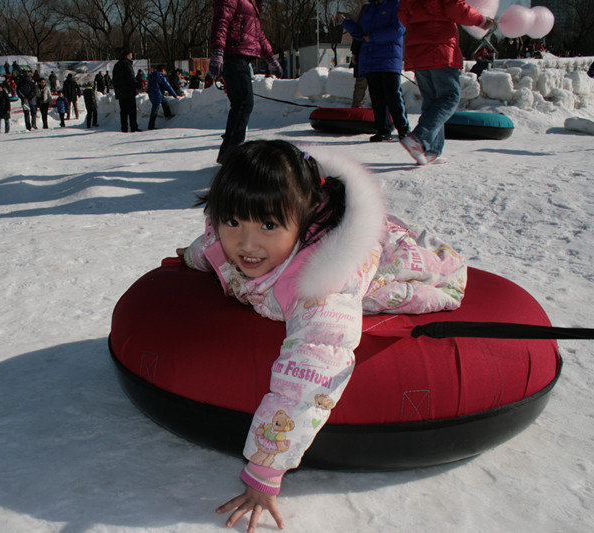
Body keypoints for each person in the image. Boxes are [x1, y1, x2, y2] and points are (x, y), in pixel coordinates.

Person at [176, 140, 466, 532]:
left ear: (303, 216)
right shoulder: (230, 237)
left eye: (268, 225)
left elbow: (309, 377)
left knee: (388, 287)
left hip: (393, 260)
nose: (246, 244)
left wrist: (264, 472)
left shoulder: (321, 287)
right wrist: (190, 259)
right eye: (233, 222)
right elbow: (210, 245)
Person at [398, 0, 494, 165]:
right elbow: (457, 8)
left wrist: (421, 26)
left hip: (418, 51)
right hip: (440, 49)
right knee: (450, 97)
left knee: (432, 102)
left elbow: (402, 15)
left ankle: (431, 151)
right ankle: (419, 137)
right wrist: (482, 21)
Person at [210, 0, 283, 163]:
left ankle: (228, 154)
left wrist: (271, 57)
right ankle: (233, 156)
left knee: (241, 104)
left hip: (241, 56)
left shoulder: (251, 3)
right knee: (243, 103)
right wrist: (218, 51)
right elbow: (221, 21)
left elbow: (258, 34)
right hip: (233, 54)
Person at [337, 1, 409, 143]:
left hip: (388, 59)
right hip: (370, 60)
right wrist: (346, 22)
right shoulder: (368, 9)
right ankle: (383, 130)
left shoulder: (396, 5)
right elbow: (360, 33)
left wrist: (372, 37)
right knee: (376, 97)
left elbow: (398, 29)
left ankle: (404, 130)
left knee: (393, 95)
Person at [112, 49, 141, 132]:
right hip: (129, 91)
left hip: (120, 92)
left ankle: (124, 128)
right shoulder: (127, 64)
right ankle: (133, 127)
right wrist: (138, 85)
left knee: (123, 111)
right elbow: (131, 78)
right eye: (131, 55)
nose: (132, 56)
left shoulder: (117, 65)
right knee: (132, 111)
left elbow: (114, 79)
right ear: (128, 55)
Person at [147, 64, 180, 130]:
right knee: (154, 111)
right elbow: (167, 86)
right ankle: (151, 127)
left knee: (164, 101)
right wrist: (175, 95)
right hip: (157, 94)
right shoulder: (161, 76)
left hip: (152, 94)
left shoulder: (152, 75)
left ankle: (167, 114)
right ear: (163, 70)